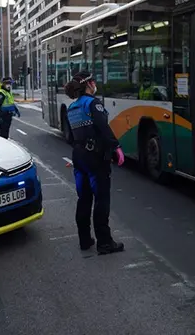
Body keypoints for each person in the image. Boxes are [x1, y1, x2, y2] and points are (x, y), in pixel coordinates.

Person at [64, 71, 125, 255]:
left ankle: (85, 239)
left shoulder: (72, 108)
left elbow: (74, 135)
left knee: (84, 199)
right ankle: (105, 242)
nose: (95, 84)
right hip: (95, 159)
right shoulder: (93, 103)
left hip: (79, 157)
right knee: (101, 200)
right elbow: (103, 128)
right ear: (89, 84)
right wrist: (116, 147)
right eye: (93, 82)